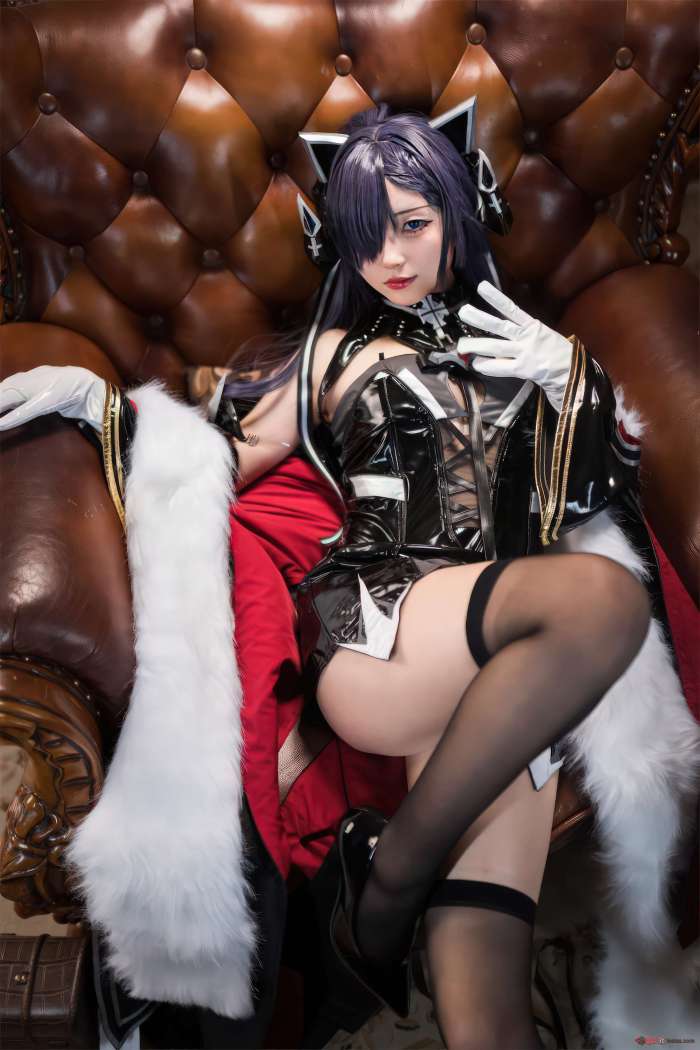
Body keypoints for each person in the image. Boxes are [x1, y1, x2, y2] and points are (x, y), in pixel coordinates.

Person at [0, 104, 696, 1048]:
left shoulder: (522, 352)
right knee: (601, 603)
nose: (391, 258)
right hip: (383, 625)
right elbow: (203, 463)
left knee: (488, 1015)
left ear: (455, 215)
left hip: (502, 680)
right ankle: (387, 881)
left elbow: (593, 502)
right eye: (368, 238)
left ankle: (381, 899)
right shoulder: (330, 355)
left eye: (411, 224)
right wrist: (96, 413)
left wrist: (574, 381)